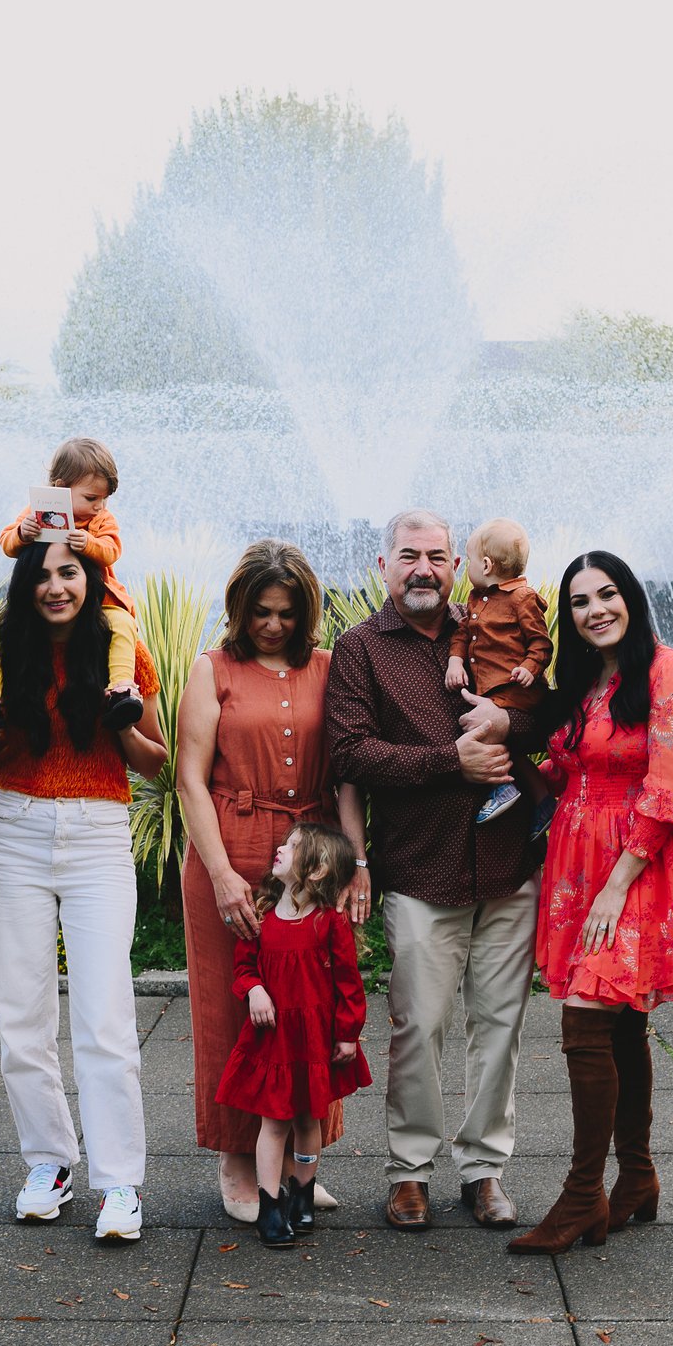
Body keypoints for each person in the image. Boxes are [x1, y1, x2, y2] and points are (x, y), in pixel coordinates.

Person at [326, 509, 541, 1233]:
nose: (424, 567)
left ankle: (484, 1170)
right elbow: (350, 753)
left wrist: (510, 725)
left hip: (509, 865)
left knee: (501, 1024)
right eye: (409, 554)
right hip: (421, 866)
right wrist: (452, 761)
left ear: (459, 564)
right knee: (419, 1024)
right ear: (383, 564)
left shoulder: (492, 621)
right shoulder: (359, 648)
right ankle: (410, 1171)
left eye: (438, 556)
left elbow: (546, 713)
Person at [509, 550, 673, 1255]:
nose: (595, 608)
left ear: (630, 596)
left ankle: (580, 1198)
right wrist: (498, 755)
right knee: (621, 1023)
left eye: (607, 594)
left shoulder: (672, 673)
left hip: (637, 864)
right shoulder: (585, 681)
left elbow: (671, 792)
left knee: (588, 1014)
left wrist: (615, 884)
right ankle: (637, 1178)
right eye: (579, 601)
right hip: (581, 858)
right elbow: (566, 769)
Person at [0, 538, 169, 1244]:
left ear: (92, 577)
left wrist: (122, 718)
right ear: (25, 585)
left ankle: (119, 1183)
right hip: (15, 828)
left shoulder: (120, 647)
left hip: (98, 833)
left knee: (104, 1017)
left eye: (69, 572)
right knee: (22, 1018)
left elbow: (156, 760)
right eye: (42, 574)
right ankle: (49, 1162)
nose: (56, 586)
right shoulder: (2, 646)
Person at [173, 539, 360, 1222]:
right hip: (233, 842)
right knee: (235, 1012)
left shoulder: (330, 667)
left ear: (305, 610)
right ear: (239, 609)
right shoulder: (212, 667)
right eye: (260, 612)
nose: (273, 625)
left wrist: (349, 866)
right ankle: (238, 1158)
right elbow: (189, 775)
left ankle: (299, 1163)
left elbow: (344, 774)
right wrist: (221, 872)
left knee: (308, 1009)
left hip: (311, 852)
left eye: (285, 612)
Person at [214, 822, 373, 1249]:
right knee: (274, 1121)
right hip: (275, 1040)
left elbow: (348, 983)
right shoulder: (262, 917)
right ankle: (270, 1204)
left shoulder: (328, 923)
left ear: (316, 871)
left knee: (308, 1119)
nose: (279, 848)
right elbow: (244, 969)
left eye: (292, 845)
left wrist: (347, 1034)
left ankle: (302, 1192)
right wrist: (256, 990)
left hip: (316, 1039)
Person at [0, 436, 144, 730]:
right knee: (0, 627)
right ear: (61, 488)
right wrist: (23, 533)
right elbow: (7, 543)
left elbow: (112, 550)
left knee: (124, 625)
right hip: (48, 607)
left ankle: (122, 688)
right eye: (92, 498)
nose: (100, 506)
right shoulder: (37, 511)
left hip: (100, 601)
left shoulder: (102, 521)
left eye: (104, 499)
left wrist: (89, 543)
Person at [444, 517, 555, 826]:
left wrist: (529, 668)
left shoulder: (522, 599)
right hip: (492, 689)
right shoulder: (477, 600)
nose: (466, 567)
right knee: (509, 748)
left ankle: (502, 788)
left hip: (515, 687)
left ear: (487, 565)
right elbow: (463, 634)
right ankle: (543, 800)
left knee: (478, 729)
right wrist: (455, 661)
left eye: (469, 560)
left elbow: (541, 643)